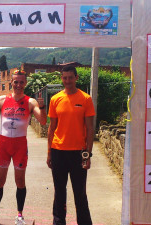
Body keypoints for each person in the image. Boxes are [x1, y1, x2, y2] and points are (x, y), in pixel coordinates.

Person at [0, 69, 47, 225]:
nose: (18, 85)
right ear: (11, 83)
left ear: (25, 83)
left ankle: (19, 215)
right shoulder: (2, 100)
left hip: (20, 145)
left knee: (20, 181)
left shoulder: (30, 102)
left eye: (21, 82)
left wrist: (43, 106)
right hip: (4, 145)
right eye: (15, 82)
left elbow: (43, 121)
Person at [47, 66, 95, 225]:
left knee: (80, 193)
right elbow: (52, 128)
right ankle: (58, 222)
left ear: (76, 78)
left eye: (70, 77)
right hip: (58, 151)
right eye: (64, 78)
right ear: (62, 78)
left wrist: (87, 155)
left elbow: (89, 128)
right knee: (59, 192)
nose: (67, 81)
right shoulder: (55, 99)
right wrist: (49, 153)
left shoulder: (85, 99)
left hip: (78, 153)